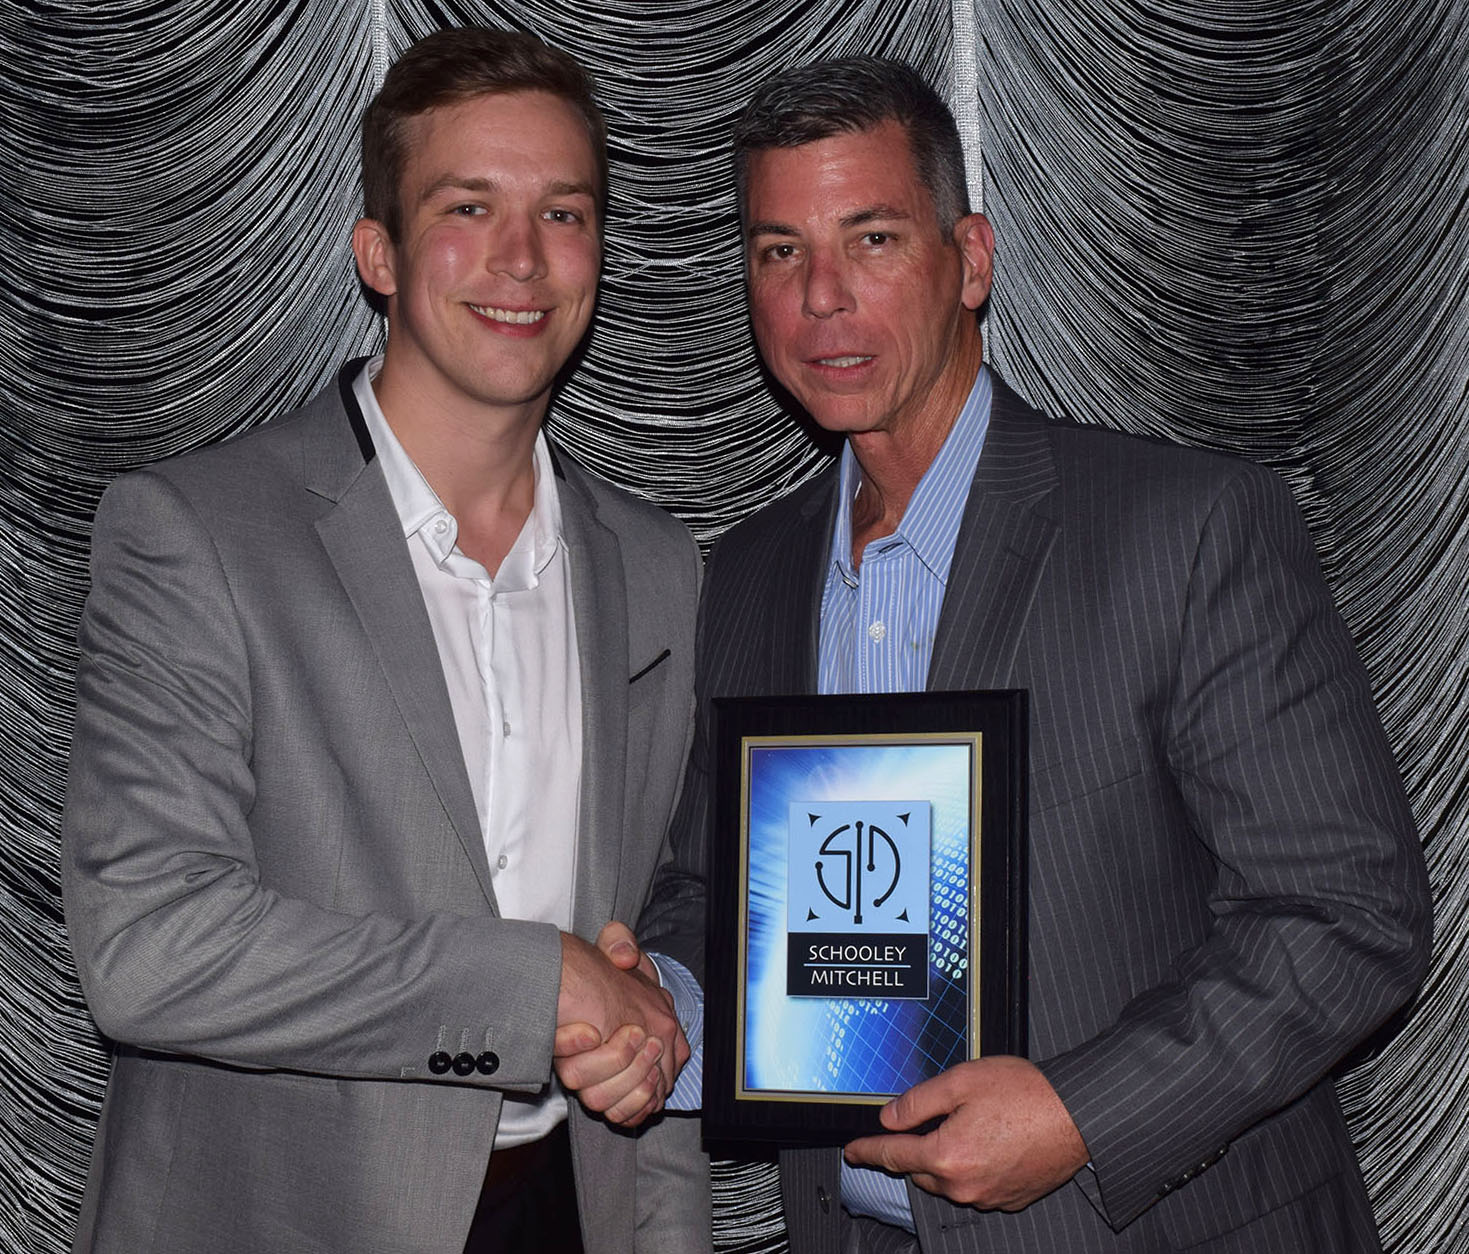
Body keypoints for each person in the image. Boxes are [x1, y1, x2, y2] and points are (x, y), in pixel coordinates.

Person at [639, 56, 1433, 1253]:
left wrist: (1082, 1113)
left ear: (970, 259)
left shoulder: (1182, 530)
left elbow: (1347, 912)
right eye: (777, 252)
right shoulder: (744, 577)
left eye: (870, 240)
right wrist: (664, 1003)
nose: (820, 299)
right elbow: (717, 892)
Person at [60, 28, 709, 1254]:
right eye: (468, 207)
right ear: (379, 254)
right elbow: (147, 947)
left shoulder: (656, 564)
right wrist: (530, 984)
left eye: (562, 213)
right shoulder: (196, 532)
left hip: (573, 1213)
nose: (521, 257)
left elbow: (658, 911)